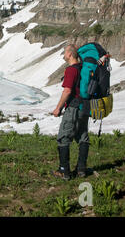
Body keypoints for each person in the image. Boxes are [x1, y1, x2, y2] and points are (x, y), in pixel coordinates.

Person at [52, 44, 89, 180]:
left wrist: (58, 108)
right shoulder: (83, 68)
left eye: (65, 52)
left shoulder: (71, 70)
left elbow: (67, 91)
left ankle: (64, 171)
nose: (63, 54)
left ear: (70, 54)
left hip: (73, 108)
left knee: (63, 137)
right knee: (83, 137)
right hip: (85, 108)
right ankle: (81, 170)